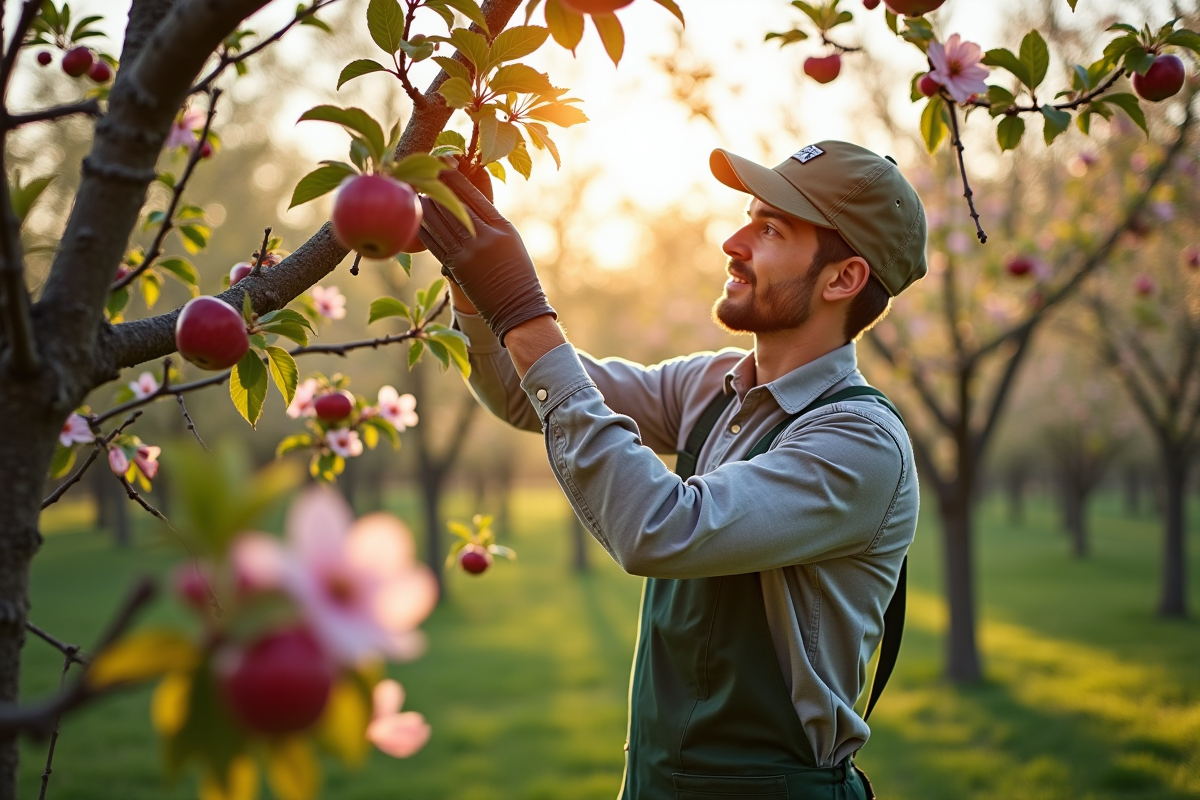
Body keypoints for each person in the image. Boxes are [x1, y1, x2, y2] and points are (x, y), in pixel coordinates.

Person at [418, 140, 926, 800]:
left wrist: (520, 304)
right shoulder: (709, 384)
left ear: (842, 279)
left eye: (769, 229)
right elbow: (526, 395)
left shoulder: (857, 441)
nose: (733, 241)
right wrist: (471, 275)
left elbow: (664, 528)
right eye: (749, 216)